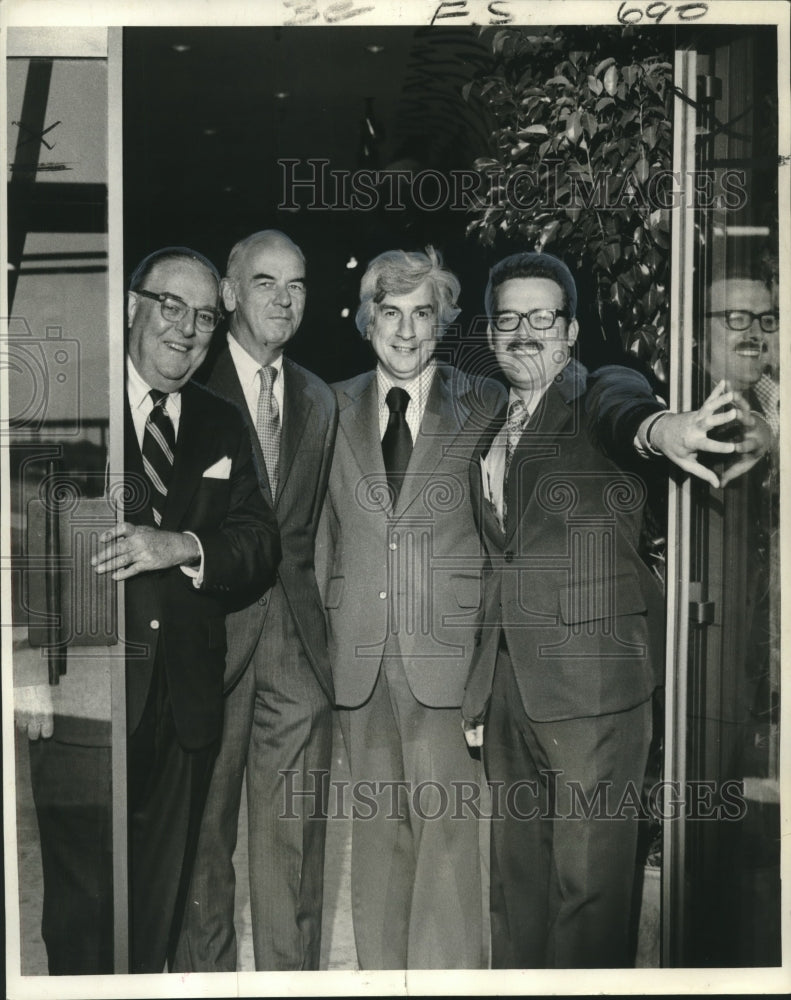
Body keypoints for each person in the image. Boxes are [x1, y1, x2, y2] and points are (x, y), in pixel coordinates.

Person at [461, 251, 770, 969]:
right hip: (510, 692)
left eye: (542, 317)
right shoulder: (492, 421)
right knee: (517, 893)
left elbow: (626, 413)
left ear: (568, 331)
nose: (524, 332)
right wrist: (483, 686)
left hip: (595, 689)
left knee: (588, 898)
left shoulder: (595, 387)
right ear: (490, 330)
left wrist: (666, 430)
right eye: (508, 318)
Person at [87, 246, 280, 973]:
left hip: (187, 702)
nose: (189, 329)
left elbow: (258, 543)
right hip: (93, 696)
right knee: (84, 899)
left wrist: (184, 546)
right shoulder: (82, 399)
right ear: (132, 306)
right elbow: (32, 541)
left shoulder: (222, 421)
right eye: (172, 306)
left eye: (204, 315)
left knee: (161, 904)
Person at [316, 246, 506, 969]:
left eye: (421, 313)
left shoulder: (482, 403)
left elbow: (497, 543)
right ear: (367, 321)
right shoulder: (326, 407)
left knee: (449, 839)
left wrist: (488, 665)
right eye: (389, 313)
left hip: (447, 659)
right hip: (358, 658)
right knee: (377, 838)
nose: (404, 331)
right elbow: (319, 539)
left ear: (442, 322)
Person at [174, 231, 337, 971]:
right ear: (231, 294)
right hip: (211, 641)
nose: (283, 298)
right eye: (265, 282)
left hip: (297, 650)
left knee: (293, 842)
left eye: (296, 284)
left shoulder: (319, 399)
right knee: (202, 842)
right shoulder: (187, 385)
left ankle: (290, 984)